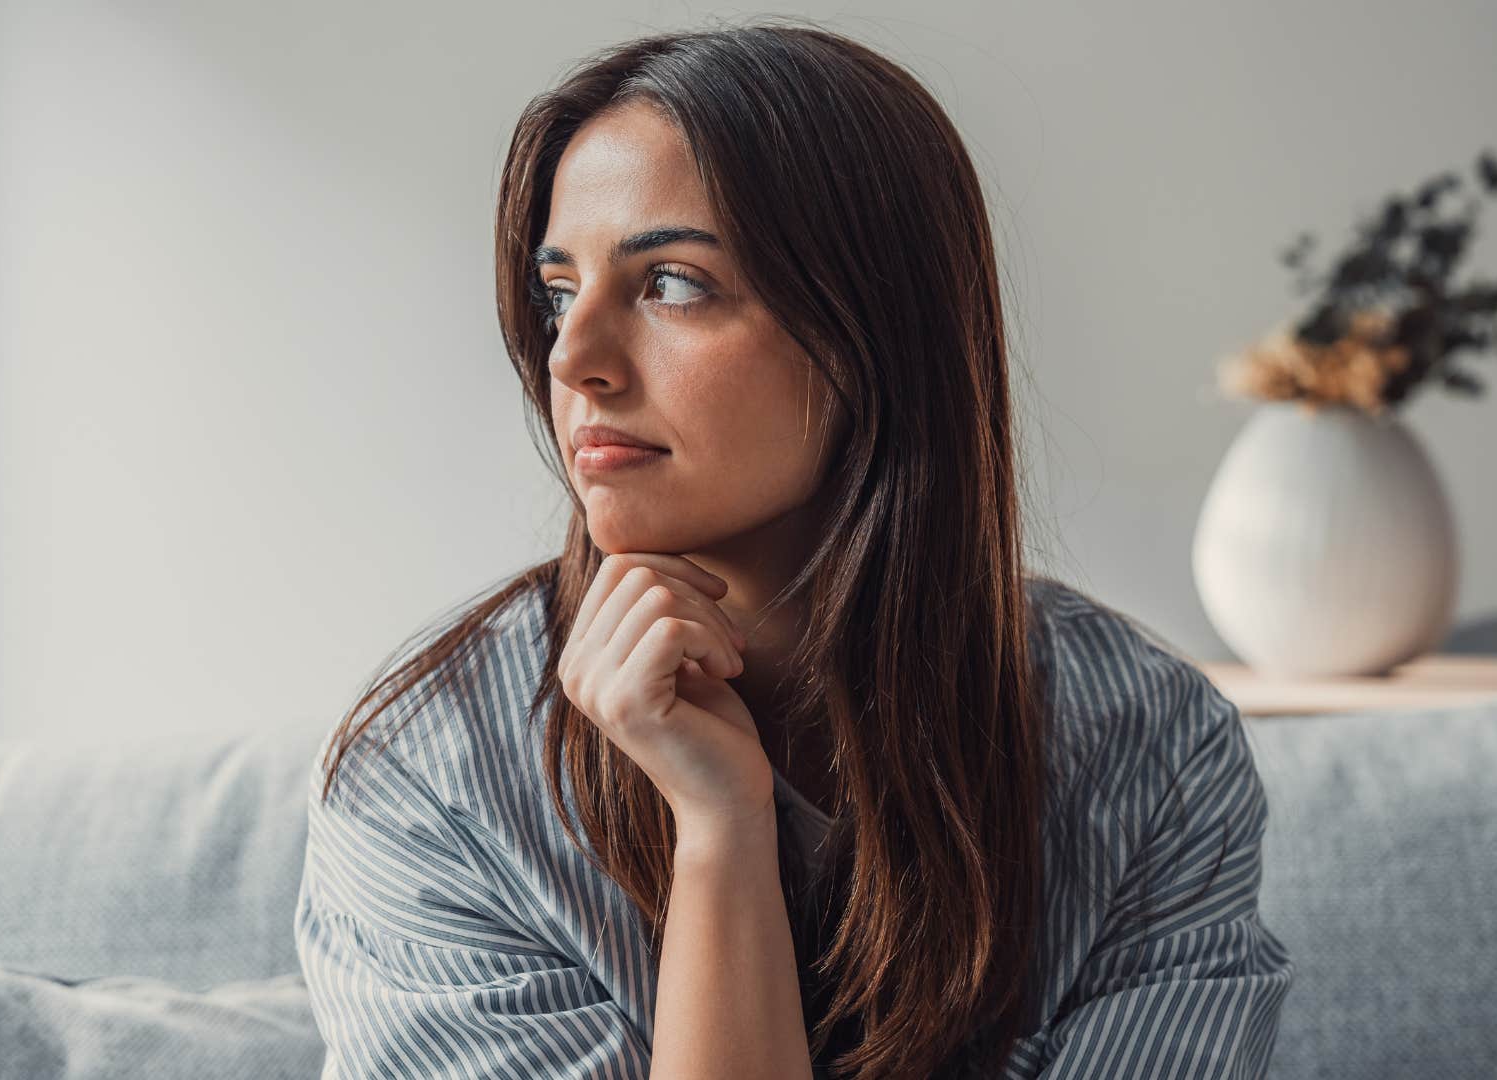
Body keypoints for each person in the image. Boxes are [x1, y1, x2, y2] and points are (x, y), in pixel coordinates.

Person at [293, 17, 1293, 1080]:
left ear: (871, 335)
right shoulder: (433, 779)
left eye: (672, 282)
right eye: (556, 292)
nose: (574, 358)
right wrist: (721, 831)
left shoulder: (1143, 752)